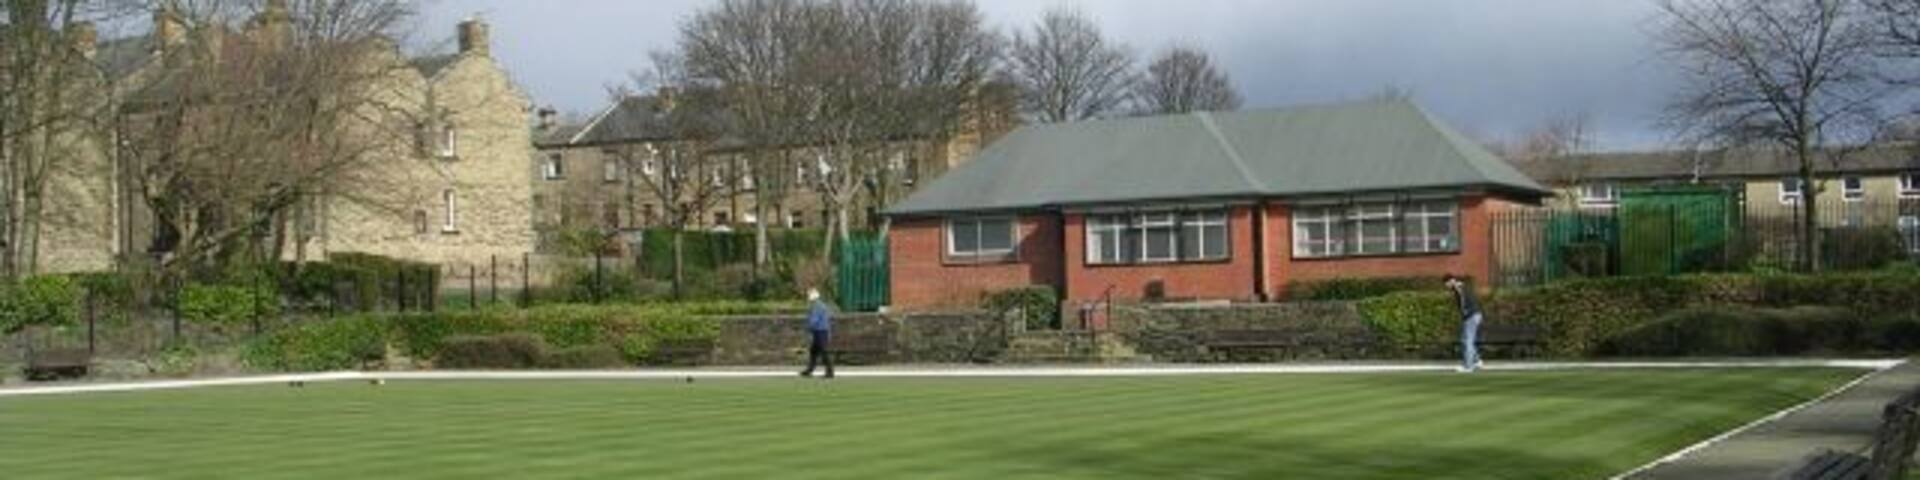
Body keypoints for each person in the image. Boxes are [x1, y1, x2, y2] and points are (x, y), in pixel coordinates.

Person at [1445, 274, 1483, 373]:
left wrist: (1464, 312)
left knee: (1467, 340)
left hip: (1471, 315)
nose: (1447, 287)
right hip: (1475, 315)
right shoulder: (1463, 286)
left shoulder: (1458, 287)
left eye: (1447, 284)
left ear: (1451, 281)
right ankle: (1477, 361)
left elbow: (1462, 300)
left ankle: (1468, 366)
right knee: (1465, 339)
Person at [799, 288, 835, 379]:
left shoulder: (816, 306)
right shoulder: (821, 305)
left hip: (820, 331)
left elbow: (814, 320)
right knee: (814, 351)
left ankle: (829, 372)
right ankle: (810, 370)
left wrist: (808, 327)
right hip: (821, 331)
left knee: (823, 352)